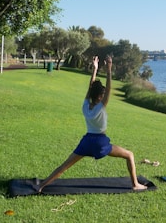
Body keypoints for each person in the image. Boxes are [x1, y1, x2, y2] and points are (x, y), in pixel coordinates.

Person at [37, 55, 147, 192]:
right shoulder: (101, 106)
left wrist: (94, 70)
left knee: (64, 166)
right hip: (100, 143)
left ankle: (41, 186)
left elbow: (90, 89)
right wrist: (109, 68)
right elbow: (108, 88)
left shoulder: (85, 106)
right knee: (129, 155)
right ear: (100, 96)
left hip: (87, 141)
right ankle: (135, 184)